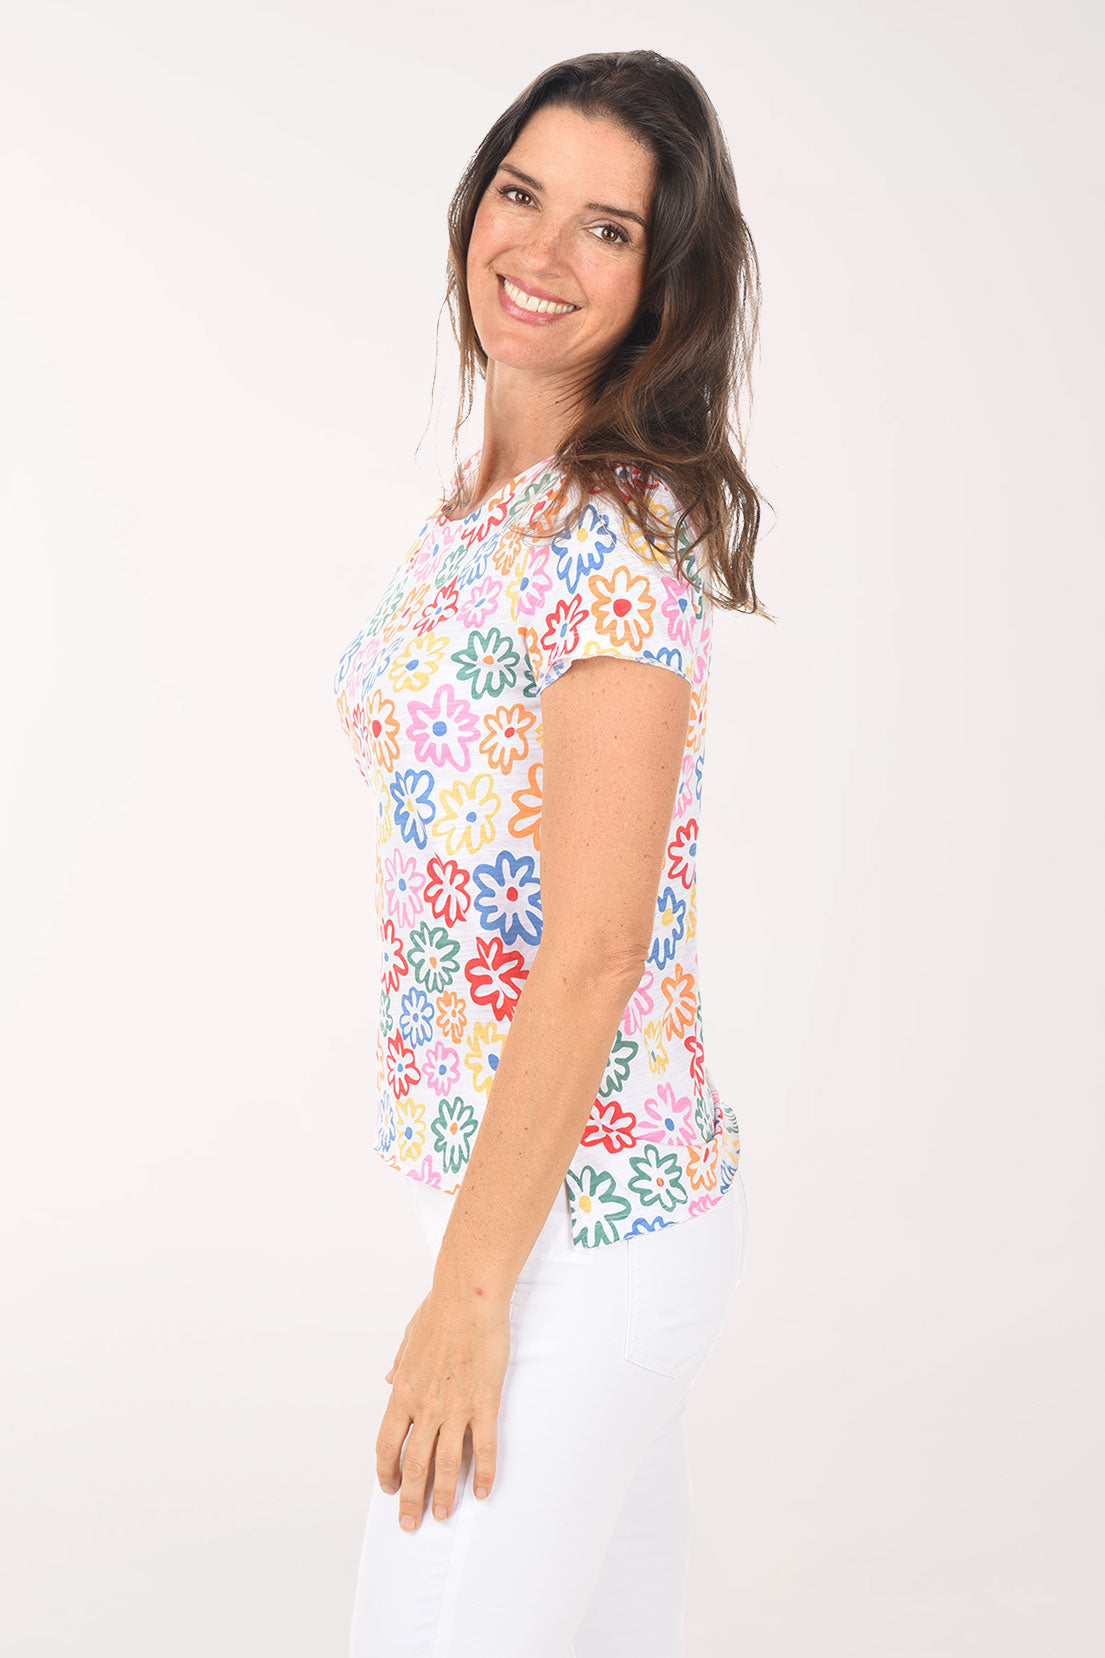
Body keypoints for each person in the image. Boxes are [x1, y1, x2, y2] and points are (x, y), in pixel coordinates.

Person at [334, 47, 771, 1658]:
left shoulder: (608, 538)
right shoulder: (486, 516)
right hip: (532, 1213)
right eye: (521, 194)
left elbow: (592, 946)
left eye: (607, 226)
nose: (538, 248)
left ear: (662, 284)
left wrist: (468, 1301)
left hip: (583, 1237)